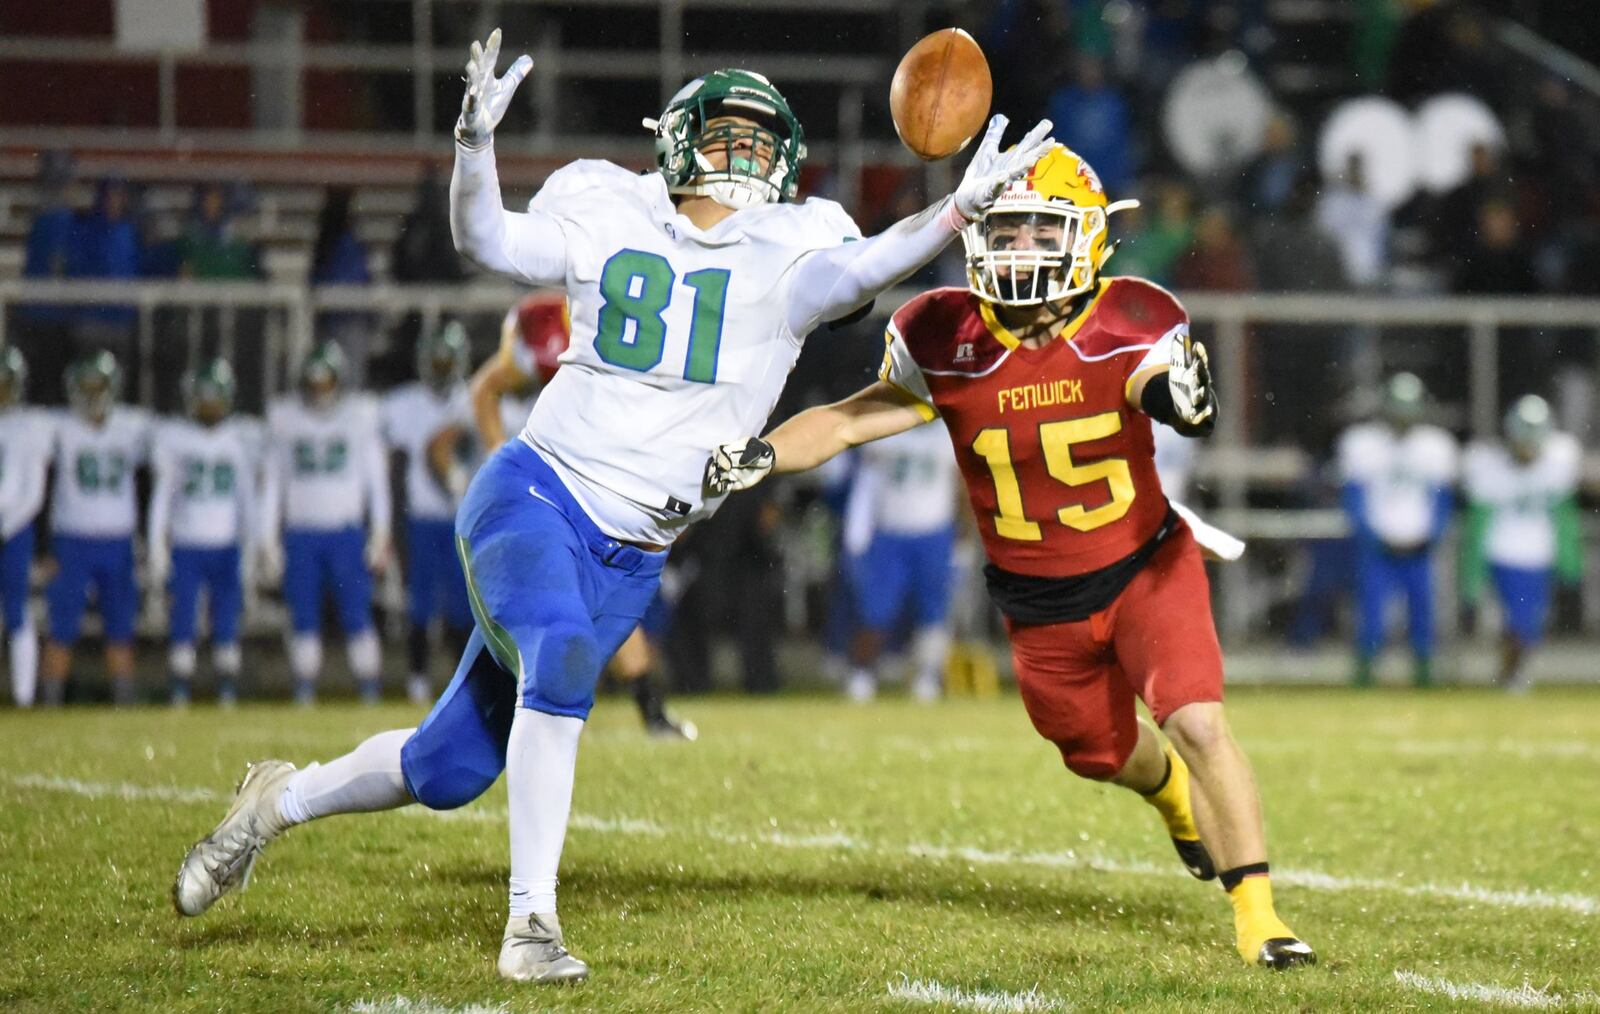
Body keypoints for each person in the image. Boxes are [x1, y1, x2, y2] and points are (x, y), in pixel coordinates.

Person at [172, 29, 1054, 986]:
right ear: (677, 140)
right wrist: (474, 149)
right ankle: (531, 927)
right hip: (537, 495)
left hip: (633, 552)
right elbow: (489, 241)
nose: (750, 155)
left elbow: (864, 269)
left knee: (446, 769)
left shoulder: (794, 244)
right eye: (731, 135)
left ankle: (275, 802)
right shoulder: (608, 201)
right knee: (563, 652)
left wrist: (956, 212)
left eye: (765, 139)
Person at [705, 144, 1315, 970]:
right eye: (1009, 229)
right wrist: (766, 454)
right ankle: (1172, 795)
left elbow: (1157, 384)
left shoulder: (1131, 316)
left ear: (1089, 239)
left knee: (1199, 721)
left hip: (1145, 565)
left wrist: (1183, 401)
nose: (1020, 248)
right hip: (1039, 601)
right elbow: (853, 417)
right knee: (1097, 752)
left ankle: (1260, 917)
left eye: (1041, 230)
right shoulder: (943, 331)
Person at [456, 293, 697, 737]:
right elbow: (485, 389)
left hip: (585, 484)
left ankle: (650, 711)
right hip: (537, 489)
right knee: (540, 607)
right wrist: (501, 461)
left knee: (608, 595)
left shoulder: (620, 366)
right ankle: (508, 709)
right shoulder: (547, 335)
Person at [258, 341, 390, 705]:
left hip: (346, 532)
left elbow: (376, 481)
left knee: (357, 614)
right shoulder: (286, 420)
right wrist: (267, 538)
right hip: (301, 533)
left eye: (326, 383)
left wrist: (380, 531)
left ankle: (369, 689)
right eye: (313, 384)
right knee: (303, 616)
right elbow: (273, 483)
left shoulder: (360, 416)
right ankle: (304, 691)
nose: (319, 392)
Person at [40, 351, 151, 706]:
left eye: (97, 385)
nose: (91, 394)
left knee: (121, 630)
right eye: (84, 386)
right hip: (71, 540)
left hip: (117, 542)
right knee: (61, 629)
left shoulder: (133, 427)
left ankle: (124, 700)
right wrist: (45, 546)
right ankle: (49, 703)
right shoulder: (57, 427)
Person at [148, 359, 257, 707]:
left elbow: (246, 500)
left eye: (215, 399)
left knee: (226, 618)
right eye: (203, 399)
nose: (209, 407)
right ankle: (180, 687)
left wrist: (252, 546)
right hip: (187, 543)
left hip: (226, 545)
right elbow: (162, 496)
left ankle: (226, 688)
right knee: (184, 618)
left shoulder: (239, 439)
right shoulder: (174, 438)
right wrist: (156, 545)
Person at [1338, 372, 1457, 687]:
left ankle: (1423, 674)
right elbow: (1355, 499)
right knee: (1372, 615)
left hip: (1419, 547)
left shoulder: (1435, 445)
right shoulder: (1363, 442)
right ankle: (1364, 674)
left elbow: (1442, 502)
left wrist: (1430, 537)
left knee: (1423, 613)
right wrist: (1371, 536)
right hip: (1379, 547)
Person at [380, 323, 475, 705]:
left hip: (465, 520)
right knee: (420, 604)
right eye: (434, 361)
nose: (439, 369)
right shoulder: (404, 405)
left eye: (445, 361)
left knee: (464, 609)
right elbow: (393, 464)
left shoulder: (475, 399)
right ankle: (417, 680)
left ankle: (463, 682)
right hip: (422, 518)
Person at [1461, 395, 1582, 692]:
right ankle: (1510, 675)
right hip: (1501, 554)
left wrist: (1570, 562)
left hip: (1539, 557)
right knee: (1516, 623)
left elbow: (1565, 518)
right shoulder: (1488, 464)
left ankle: (1510, 672)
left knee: (1528, 626)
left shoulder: (1560, 459)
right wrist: (1471, 574)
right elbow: (1477, 523)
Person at [838, 422, 962, 702]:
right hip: (890, 533)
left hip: (934, 533)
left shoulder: (946, 432)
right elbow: (865, 484)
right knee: (875, 611)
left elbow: (960, 487)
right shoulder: (887, 428)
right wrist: (858, 530)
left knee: (934, 615)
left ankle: (928, 676)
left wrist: (962, 537)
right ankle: (862, 673)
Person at [0, 348, 52, 707]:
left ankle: (23, 695)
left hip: (13, 530)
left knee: (18, 612)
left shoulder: (28, 426)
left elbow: (33, 494)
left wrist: (4, 528)